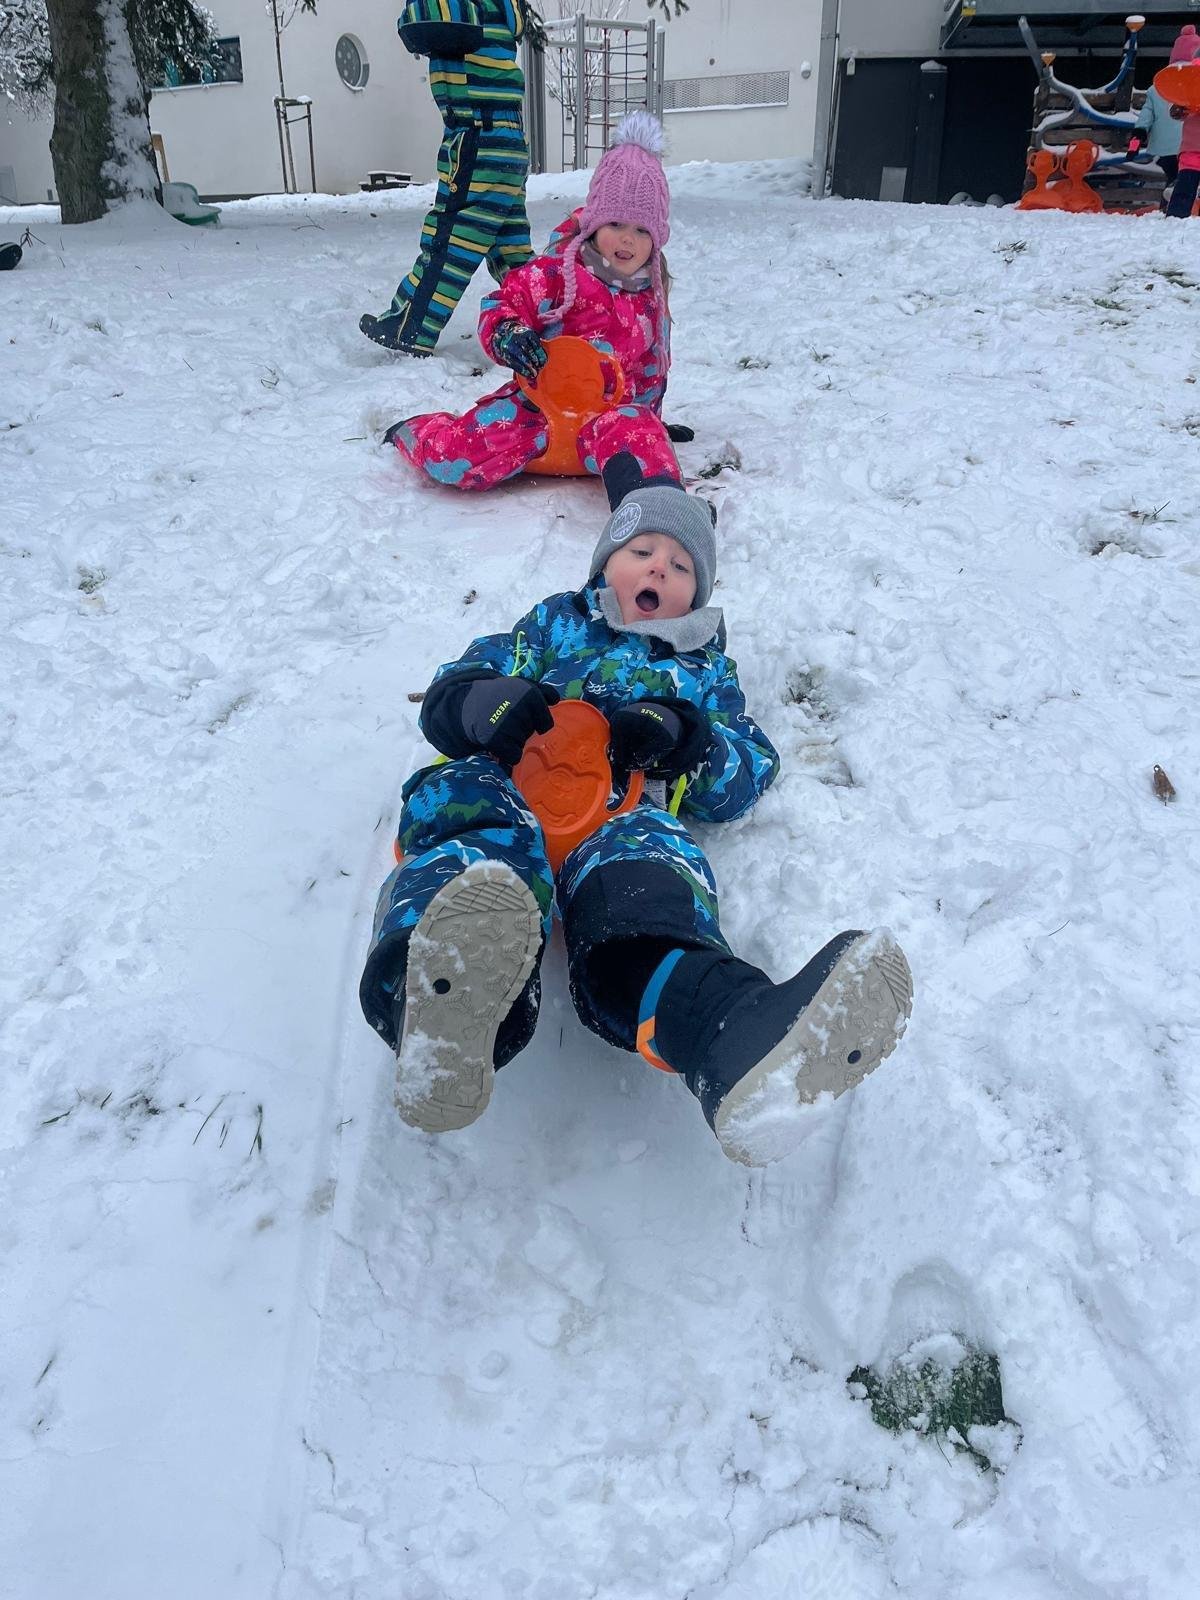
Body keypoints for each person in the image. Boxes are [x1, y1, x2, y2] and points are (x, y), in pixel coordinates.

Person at [358, 487, 914, 1167]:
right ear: (604, 566)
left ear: (698, 597)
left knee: (645, 896)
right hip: (506, 785)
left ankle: (733, 1036)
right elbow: (461, 681)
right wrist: (479, 703)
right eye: (642, 551)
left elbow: (748, 768)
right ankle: (432, 1007)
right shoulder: (554, 624)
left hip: (618, 821)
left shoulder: (702, 670)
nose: (658, 569)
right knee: (461, 824)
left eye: (681, 567)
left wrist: (687, 738)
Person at [385, 110, 681, 509]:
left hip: (607, 426)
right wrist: (508, 333)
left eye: (642, 230)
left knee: (639, 435)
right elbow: (502, 304)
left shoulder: (651, 294)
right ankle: (417, 433)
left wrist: (651, 424)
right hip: (540, 413)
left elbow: (651, 369)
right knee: (458, 456)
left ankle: (658, 514)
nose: (627, 239)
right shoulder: (556, 273)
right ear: (594, 223)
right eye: (616, 224)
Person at [359, 0, 533, 356]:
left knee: (451, 237)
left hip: (477, 138)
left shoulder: (466, 6)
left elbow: (421, 22)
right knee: (510, 247)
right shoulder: (504, 8)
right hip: (508, 140)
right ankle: (550, 319)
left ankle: (411, 326)